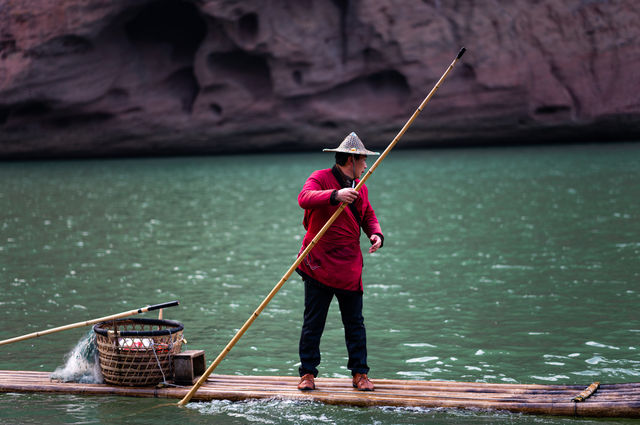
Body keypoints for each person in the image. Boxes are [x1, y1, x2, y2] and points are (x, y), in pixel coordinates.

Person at [296, 132, 384, 392]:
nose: (366, 165)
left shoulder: (362, 186)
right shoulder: (320, 178)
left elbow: (368, 215)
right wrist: (335, 195)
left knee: (355, 323)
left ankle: (360, 374)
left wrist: (376, 233)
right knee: (313, 323)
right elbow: (304, 198)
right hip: (318, 264)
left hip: (348, 267)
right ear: (350, 160)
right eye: (363, 160)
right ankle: (308, 374)